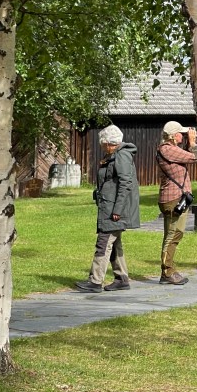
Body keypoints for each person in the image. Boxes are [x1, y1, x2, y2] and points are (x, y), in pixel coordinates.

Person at [75, 125, 139, 293]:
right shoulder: (113, 156)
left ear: (109, 143)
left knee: (103, 242)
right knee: (114, 243)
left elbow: (125, 183)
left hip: (114, 209)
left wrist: (118, 210)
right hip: (109, 206)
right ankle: (122, 278)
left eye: (102, 144)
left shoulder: (122, 156)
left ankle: (95, 281)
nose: (101, 146)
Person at [156, 120, 197, 285]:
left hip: (175, 198)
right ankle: (167, 271)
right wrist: (192, 143)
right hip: (173, 199)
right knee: (174, 235)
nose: (184, 135)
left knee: (172, 235)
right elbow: (195, 157)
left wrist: (189, 144)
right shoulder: (167, 149)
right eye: (181, 133)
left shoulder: (170, 149)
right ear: (173, 136)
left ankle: (167, 271)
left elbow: (185, 156)